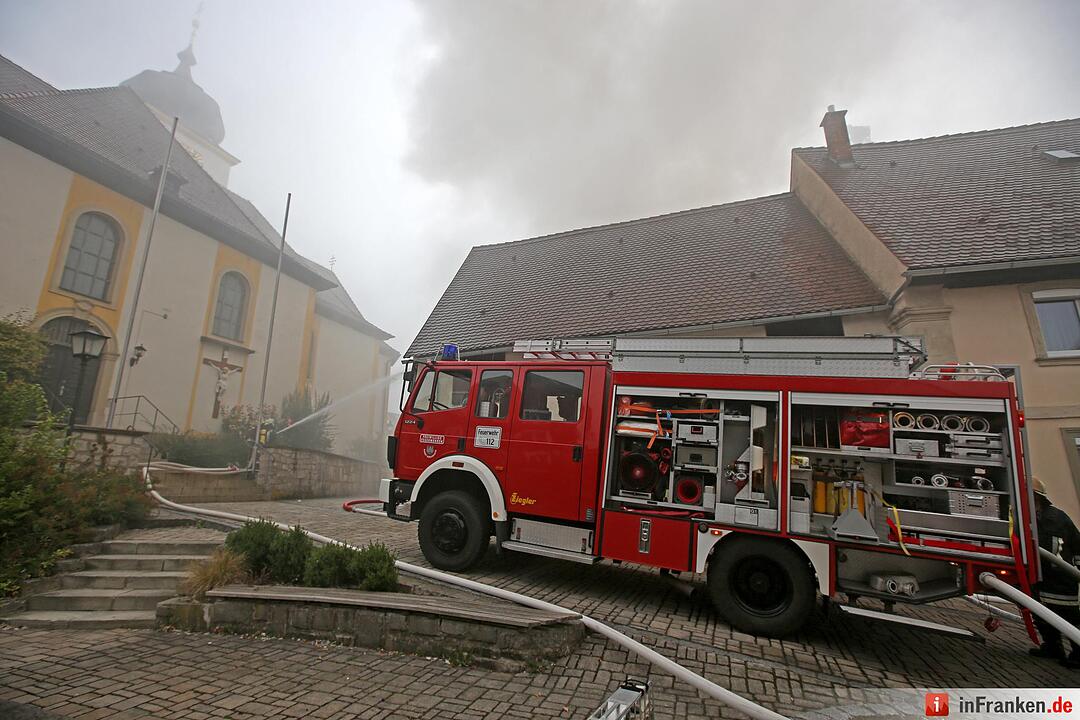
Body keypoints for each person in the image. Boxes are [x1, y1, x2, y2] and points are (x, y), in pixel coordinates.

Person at [1028, 477, 1080, 668]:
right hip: (1051, 577)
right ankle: (1052, 647)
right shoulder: (1055, 516)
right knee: (1042, 613)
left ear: (1036, 498)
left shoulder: (1048, 520)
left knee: (1068, 616)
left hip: (1058, 578)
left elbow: (1047, 548)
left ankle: (1078, 653)